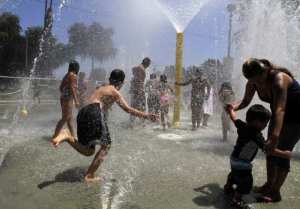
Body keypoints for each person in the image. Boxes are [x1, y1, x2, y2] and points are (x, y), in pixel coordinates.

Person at [51, 69, 158, 183]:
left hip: (82, 113)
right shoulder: (114, 91)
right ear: (121, 83)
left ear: (110, 79)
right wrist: (146, 115)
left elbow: (96, 103)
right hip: (94, 111)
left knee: (89, 151)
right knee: (106, 145)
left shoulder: (101, 88)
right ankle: (89, 176)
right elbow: (127, 109)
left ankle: (68, 136)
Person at [229, 58, 300, 202]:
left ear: (266, 71)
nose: (257, 83)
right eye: (253, 80)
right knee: (269, 150)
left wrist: (274, 137)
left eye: (259, 79)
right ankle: (269, 185)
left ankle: (275, 192)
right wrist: (232, 108)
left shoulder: (279, 79)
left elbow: (280, 108)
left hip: (296, 118)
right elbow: (245, 101)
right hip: (278, 115)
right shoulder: (253, 81)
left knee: (279, 151)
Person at [224, 104, 291, 209]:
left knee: (235, 173)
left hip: (234, 159)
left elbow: (234, 118)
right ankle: (236, 200)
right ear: (257, 122)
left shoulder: (242, 125)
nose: (265, 126)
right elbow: (268, 150)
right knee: (247, 182)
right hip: (243, 163)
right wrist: (284, 154)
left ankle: (228, 186)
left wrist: (231, 110)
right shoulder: (256, 135)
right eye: (265, 123)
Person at [52, 60, 80, 139]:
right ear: (76, 68)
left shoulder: (67, 75)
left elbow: (61, 88)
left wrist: (64, 94)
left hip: (64, 98)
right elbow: (72, 88)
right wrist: (76, 100)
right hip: (68, 99)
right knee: (65, 118)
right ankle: (54, 136)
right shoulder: (73, 75)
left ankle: (73, 137)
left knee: (69, 119)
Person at [129, 57, 151, 126]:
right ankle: (141, 124)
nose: (149, 66)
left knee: (134, 107)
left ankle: (131, 123)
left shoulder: (137, 68)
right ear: (147, 64)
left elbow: (133, 71)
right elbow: (140, 82)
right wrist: (140, 92)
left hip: (134, 91)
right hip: (138, 91)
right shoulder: (141, 69)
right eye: (149, 64)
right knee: (142, 107)